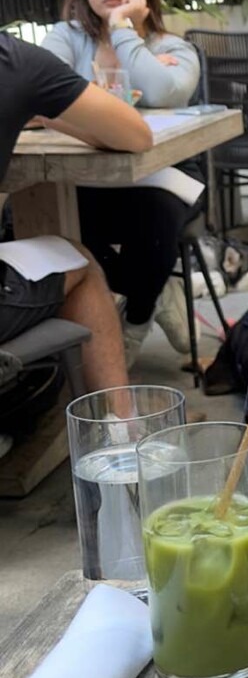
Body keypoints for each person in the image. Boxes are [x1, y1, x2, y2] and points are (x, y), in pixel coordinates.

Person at [41, 0, 203, 360]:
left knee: (154, 217)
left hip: (166, 175)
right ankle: (151, 291)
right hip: (85, 178)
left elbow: (166, 93)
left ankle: (136, 317)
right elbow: (40, 93)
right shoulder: (66, 38)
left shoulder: (171, 46)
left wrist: (122, 31)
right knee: (41, 216)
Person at [0, 31, 152, 407]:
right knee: (77, 260)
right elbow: (136, 135)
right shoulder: (15, 60)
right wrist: (46, 111)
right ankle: (121, 428)